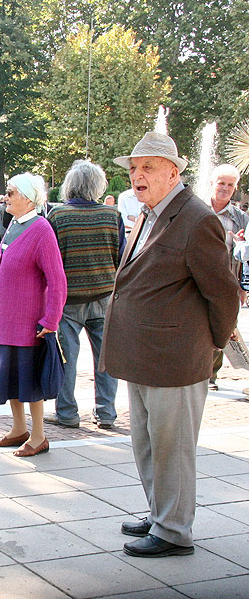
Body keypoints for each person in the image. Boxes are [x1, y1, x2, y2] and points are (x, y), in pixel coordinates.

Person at [100, 132, 240, 558]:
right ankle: (161, 512)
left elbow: (224, 293)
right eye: (133, 168)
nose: (136, 175)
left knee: (171, 447)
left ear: (173, 172)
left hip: (176, 358)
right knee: (147, 441)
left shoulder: (197, 220)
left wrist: (211, 346)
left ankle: (174, 531)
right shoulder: (150, 212)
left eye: (147, 167)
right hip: (143, 354)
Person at [0, 173, 67, 457]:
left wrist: (51, 320)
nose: (5, 197)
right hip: (3, 323)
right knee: (10, 378)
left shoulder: (41, 229)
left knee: (29, 382)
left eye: (11, 192)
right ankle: (19, 429)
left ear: (28, 198)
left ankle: (39, 436)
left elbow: (57, 279)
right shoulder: (14, 226)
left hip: (27, 323)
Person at [45, 160, 123, 429]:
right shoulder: (113, 215)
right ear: (99, 186)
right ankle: (106, 413)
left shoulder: (57, 216)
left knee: (67, 359)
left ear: (70, 185)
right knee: (106, 359)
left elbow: (50, 262)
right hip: (105, 297)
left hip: (68, 300)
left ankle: (67, 413)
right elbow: (120, 257)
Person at [206, 163, 248, 391]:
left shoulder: (240, 219)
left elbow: (247, 255)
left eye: (230, 185)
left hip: (228, 284)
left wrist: (243, 288)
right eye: (221, 183)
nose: (225, 188)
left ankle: (211, 374)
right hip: (197, 280)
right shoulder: (197, 210)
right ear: (212, 183)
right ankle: (198, 372)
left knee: (223, 327)